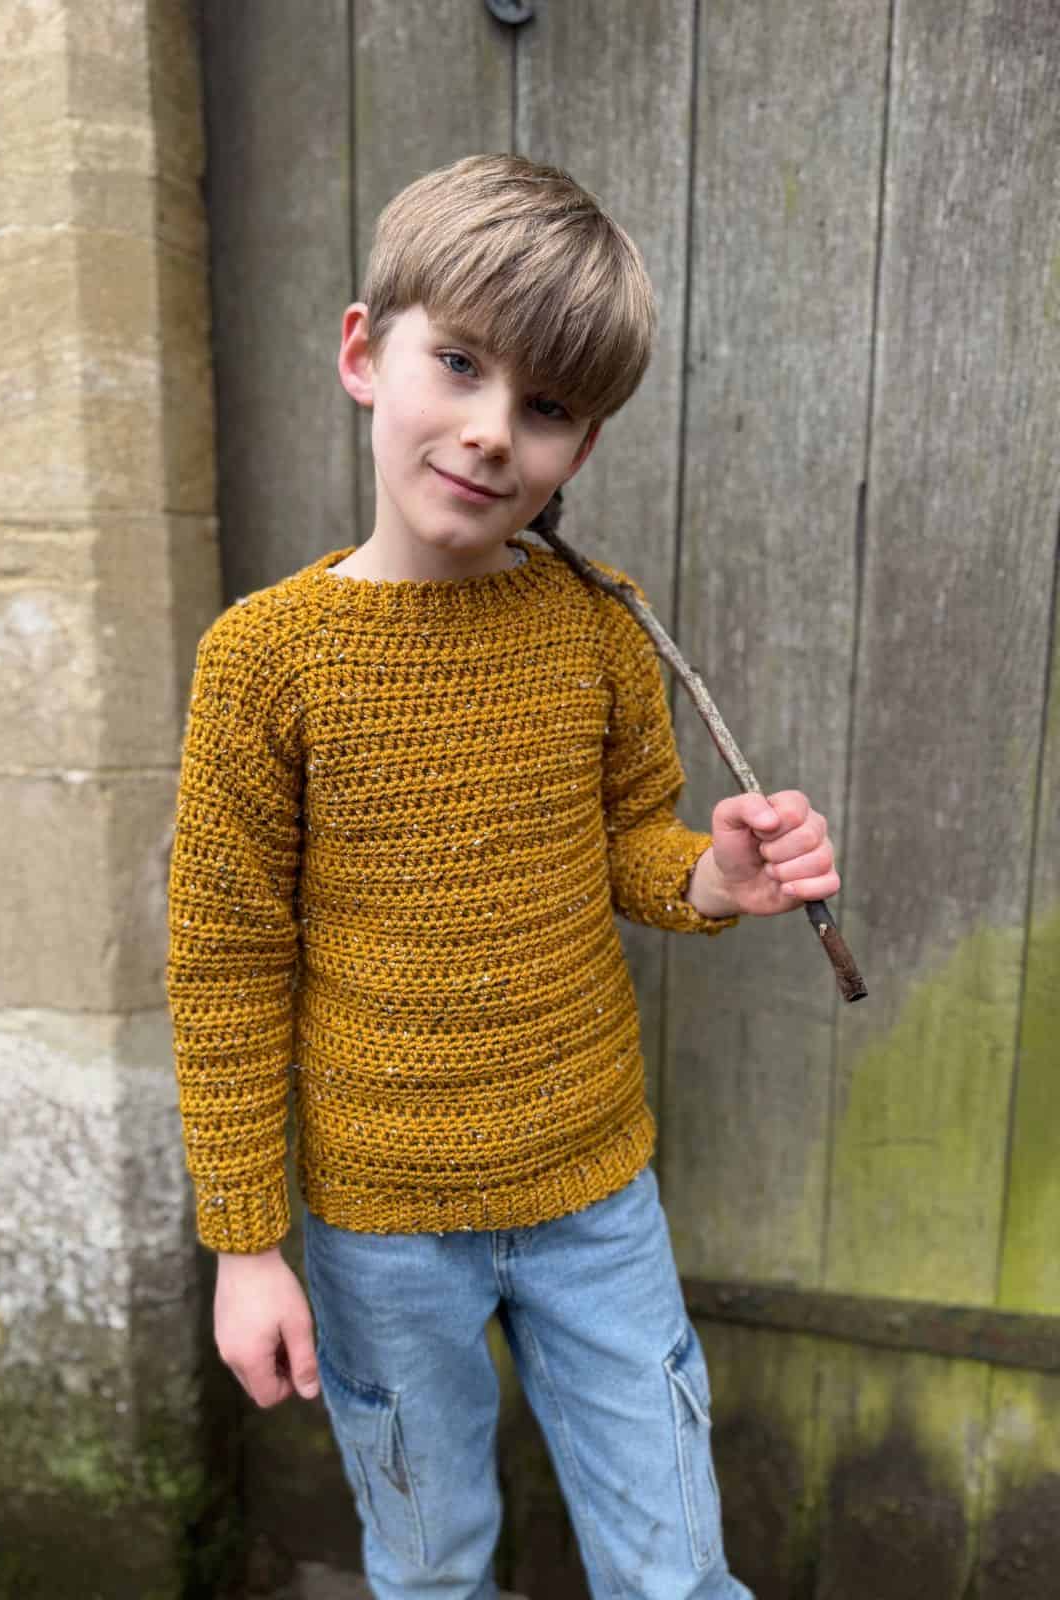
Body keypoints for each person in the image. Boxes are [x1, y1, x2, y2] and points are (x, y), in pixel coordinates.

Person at [165, 154, 839, 1600]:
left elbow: (626, 851)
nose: (489, 433)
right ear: (365, 351)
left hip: (596, 1196)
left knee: (673, 1565)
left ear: (579, 448)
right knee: (431, 1563)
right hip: (379, 1229)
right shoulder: (265, 661)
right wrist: (244, 1243)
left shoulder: (598, 627)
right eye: (458, 365)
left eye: (544, 407)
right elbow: (224, 964)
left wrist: (714, 881)